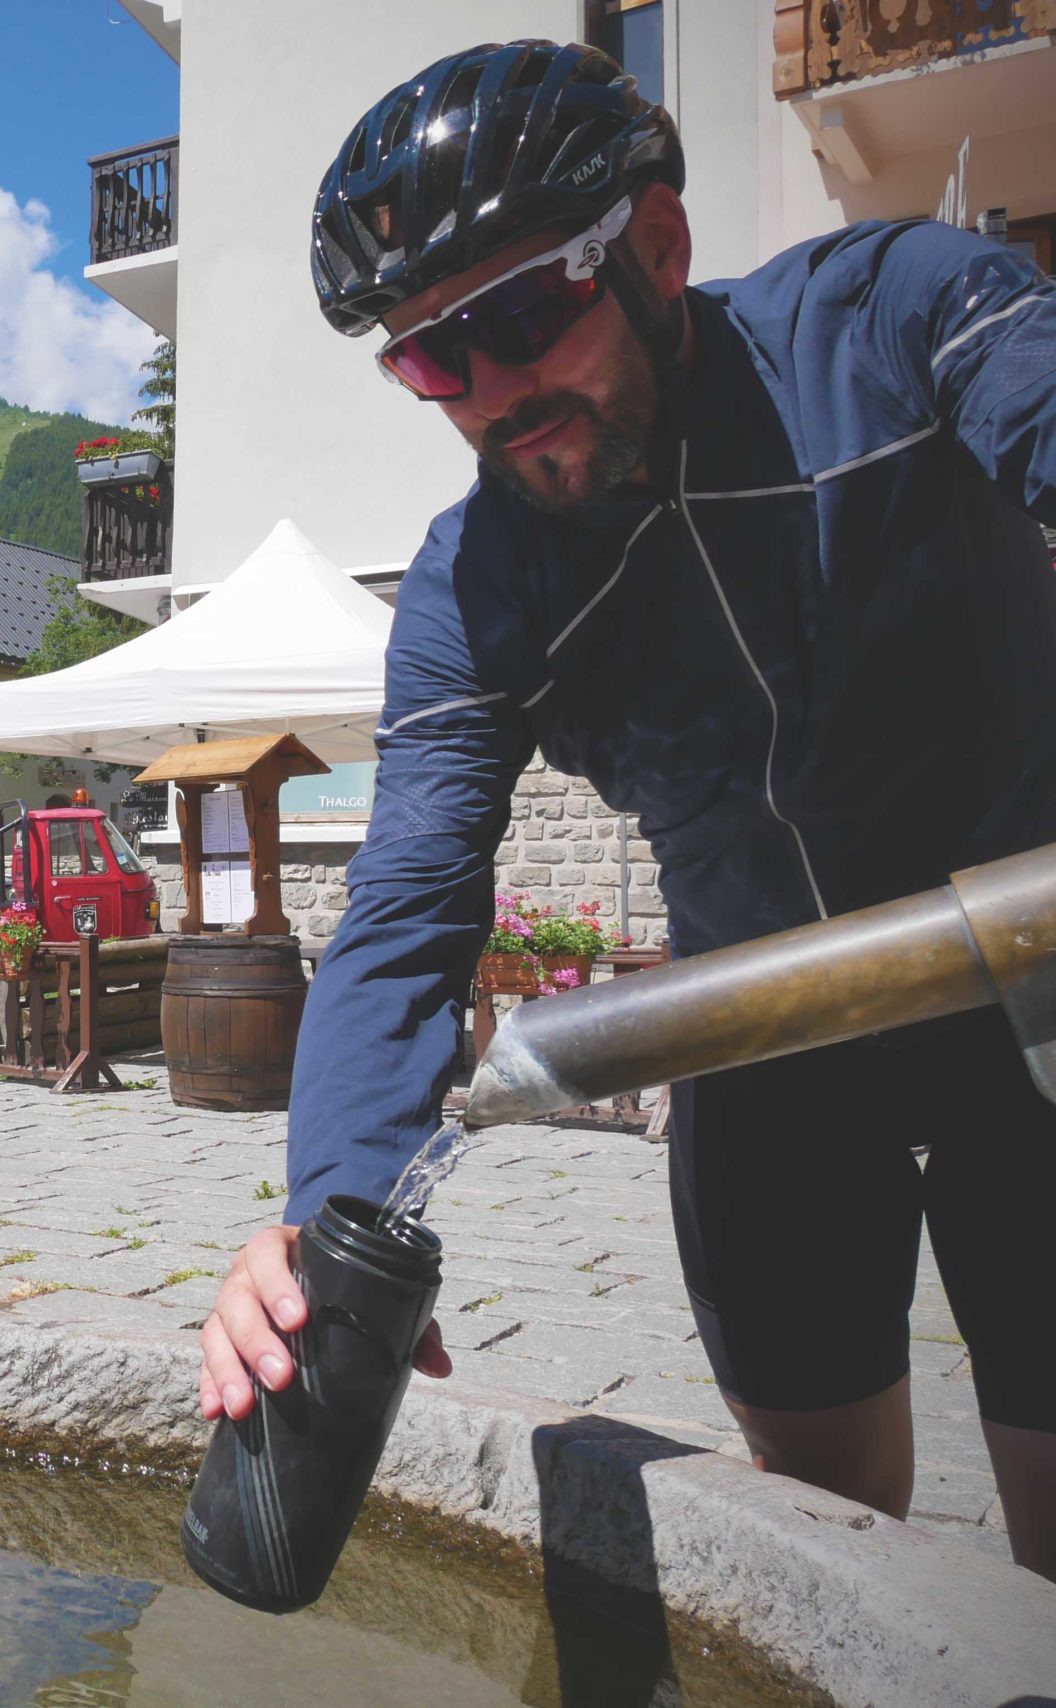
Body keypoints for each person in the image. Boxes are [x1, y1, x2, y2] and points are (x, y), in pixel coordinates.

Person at [197, 39, 1056, 1579]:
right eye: (430, 361)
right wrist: (324, 1216)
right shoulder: (474, 589)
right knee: (832, 1570)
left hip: (1035, 996)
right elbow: (405, 914)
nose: (493, 393)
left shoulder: (893, 319)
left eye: (523, 318)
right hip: (760, 1042)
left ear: (656, 245)